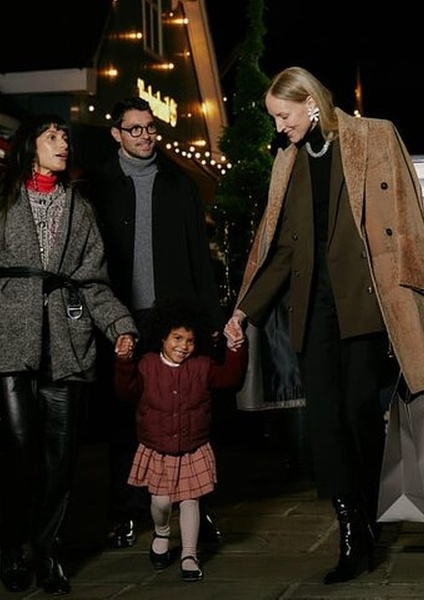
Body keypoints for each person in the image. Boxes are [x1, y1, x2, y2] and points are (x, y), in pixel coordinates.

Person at [223, 66, 424, 584]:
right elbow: (281, 250)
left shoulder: (374, 136)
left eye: (283, 116)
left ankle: (370, 510)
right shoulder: (287, 163)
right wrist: (244, 310)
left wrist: (419, 286)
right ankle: (351, 527)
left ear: (310, 103)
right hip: (313, 310)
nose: (279, 128)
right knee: (325, 422)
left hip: (366, 303)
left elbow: (407, 213)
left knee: (358, 412)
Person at [0, 113, 138, 595]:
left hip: (66, 340)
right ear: (29, 146)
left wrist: (120, 326)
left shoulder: (80, 209)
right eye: (52, 136)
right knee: (18, 451)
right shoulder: (4, 201)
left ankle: (47, 550)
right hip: (9, 340)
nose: (63, 144)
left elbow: (94, 281)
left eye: (65, 137)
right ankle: (11, 546)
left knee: (60, 459)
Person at [89, 96, 225, 549]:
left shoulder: (179, 183)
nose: (145, 135)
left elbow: (199, 257)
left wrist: (209, 321)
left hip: (174, 320)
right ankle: (126, 512)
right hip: (120, 318)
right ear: (117, 134)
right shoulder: (100, 185)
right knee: (125, 416)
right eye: (135, 129)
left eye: (149, 127)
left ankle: (196, 509)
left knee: (188, 415)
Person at [114, 301, 247, 581]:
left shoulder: (202, 366)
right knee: (161, 502)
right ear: (163, 337)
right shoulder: (147, 365)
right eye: (177, 338)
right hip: (158, 448)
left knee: (190, 501)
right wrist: (124, 363)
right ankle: (161, 532)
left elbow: (230, 379)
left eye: (190, 341)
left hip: (192, 448)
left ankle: (189, 554)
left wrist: (235, 348)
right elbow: (126, 391)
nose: (183, 346)